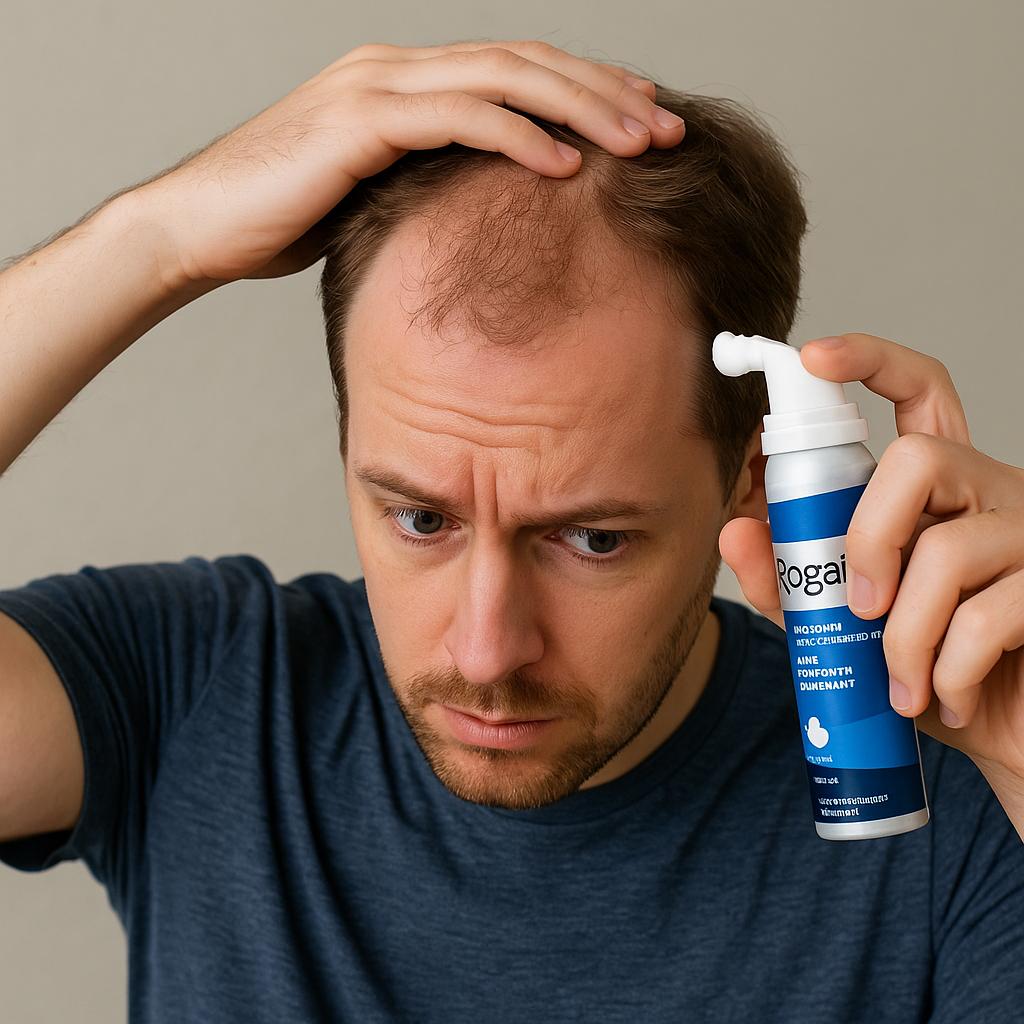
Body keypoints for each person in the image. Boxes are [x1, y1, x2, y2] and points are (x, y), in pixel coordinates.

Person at [1, 38, 1023, 1023]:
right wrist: (155, 239)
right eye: (419, 517)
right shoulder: (196, 694)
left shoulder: (944, 792)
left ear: (748, 478)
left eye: (592, 539)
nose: (486, 649)